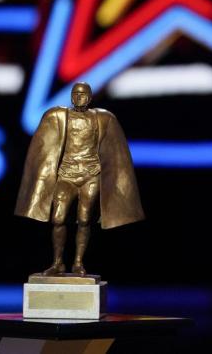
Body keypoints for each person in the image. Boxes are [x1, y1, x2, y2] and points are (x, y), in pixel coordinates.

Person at [15, 81, 144, 276]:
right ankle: (58, 262)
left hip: (90, 175)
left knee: (84, 219)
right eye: (75, 94)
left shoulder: (102, 118)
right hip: (66, 175)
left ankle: (78, 262)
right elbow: (43, 147)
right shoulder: (60, 116)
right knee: (58, 219)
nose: (78, 98)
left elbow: (116, 152)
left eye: (83, 94)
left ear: (90, 98)